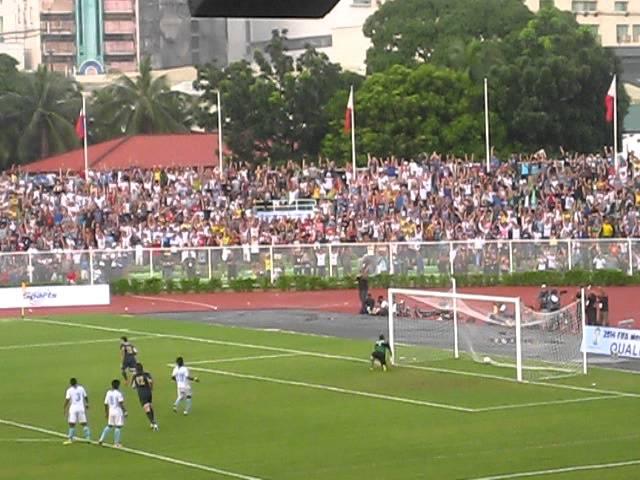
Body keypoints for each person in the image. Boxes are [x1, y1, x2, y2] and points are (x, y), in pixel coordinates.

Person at [130, 363, 159, 431]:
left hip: (142, 393)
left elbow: (132, 386)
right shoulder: (147, 374)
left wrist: (136, 386)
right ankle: (152, 422)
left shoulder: (134, 376)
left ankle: (153, 423)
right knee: (150, 405)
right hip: (148, 392)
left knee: (146, 408)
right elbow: (151, 382)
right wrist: (151, 388)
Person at [98, 379, 126, 448]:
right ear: (118, 385)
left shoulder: (108, 392)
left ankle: (101, 439)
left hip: (111, 411)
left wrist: (106, 413)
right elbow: (121, 403)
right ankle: (116, 443)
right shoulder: (119, 393)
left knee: (109, 425)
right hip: (117, 412)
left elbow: (105, 403)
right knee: (118, 427)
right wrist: (125, 410)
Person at [63, 378, 91, 445]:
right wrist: (87, 403)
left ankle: (70, 439)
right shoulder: (81, 388)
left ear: (70, 383)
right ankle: (88, 438)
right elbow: (85, 396)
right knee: (84, 423)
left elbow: (67, 399)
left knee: (72, 424)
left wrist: (64, 407)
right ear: (76, 382)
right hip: (81, 408)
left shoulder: (69, 390)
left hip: (73, 409)